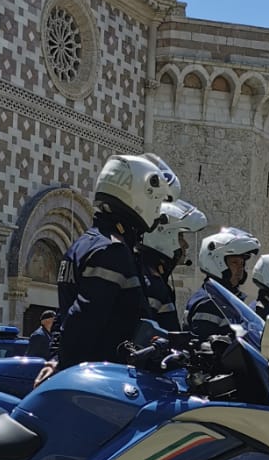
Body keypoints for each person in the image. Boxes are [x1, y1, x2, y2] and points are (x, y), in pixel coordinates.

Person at [52, 152, 179, 370]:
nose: (157, 211)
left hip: (89, 375)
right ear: (140, 195)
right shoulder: (112, 251)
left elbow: (63, 318)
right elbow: (81, 323)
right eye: (156, 201)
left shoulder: (85, 243)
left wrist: (55, 359)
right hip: (105, 378)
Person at [139, 199, 208, 331]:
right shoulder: (150, 285)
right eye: (181, 237)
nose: (186, 245)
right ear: (164, 235)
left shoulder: (154, 279)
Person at [186, 227, 260, 343]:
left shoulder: (225, 299)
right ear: (217, 263)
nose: (240, 269)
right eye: (235, 263)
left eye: (242, 263)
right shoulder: (209, 303)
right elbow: (203, 349)